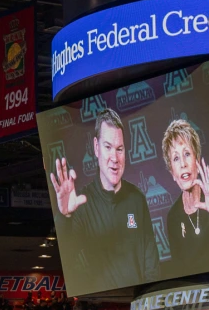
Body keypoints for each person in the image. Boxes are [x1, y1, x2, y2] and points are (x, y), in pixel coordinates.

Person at [48, 108, 160, 291]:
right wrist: (65, 217)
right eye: (108, 147)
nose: (114, 158)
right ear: (96, 147)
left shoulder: (137, 198)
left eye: (120, 149)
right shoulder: (81, 203)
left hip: (137, 303)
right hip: (103, 303)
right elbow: (67, 259)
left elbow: (151, 263)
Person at [160, 119, 209, 277]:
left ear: (197, 160)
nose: (183, 164)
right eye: (176, 158)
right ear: (172, 172)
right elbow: (180, 272)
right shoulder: (173, 217)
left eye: (187, 154)